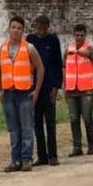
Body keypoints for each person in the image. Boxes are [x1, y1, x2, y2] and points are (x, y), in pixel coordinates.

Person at [0, 16, 46, 171]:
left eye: (19, 28)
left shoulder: (29, 48)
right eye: (13, 27)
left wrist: (36, 91)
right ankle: (15, 160)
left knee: (26, 127)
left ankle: (26, 159)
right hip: (8, 93)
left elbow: (40, 68)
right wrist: (0, 90)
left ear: (23, 31)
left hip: (24, 93)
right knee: (13, 129)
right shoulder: (0, 49)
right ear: (9, 29)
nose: (15, 31)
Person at [28, 15, 63, 167]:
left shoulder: (53, 40)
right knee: (36, 123)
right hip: (34, 87)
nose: (41, 28)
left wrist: (56, 86)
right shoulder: (30, 40)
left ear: (48, 26)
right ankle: (42, 156)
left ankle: (53, 155)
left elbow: (58, 64)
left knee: (50, 123)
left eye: (44, 25)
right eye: (38, 25)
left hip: (49, 87)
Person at [64, 23, 93, 156]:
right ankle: (77, 147)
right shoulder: (68, 49)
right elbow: (64, 68)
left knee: (87, 118)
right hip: (71, 89)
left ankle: (91, 145)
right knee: (73, 119)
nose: (79, 37)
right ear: (73, 35)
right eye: (77, 35)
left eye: (81, 35)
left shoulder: (89, 48)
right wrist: (65, 87)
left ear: (85, 35)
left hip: (86, 90)